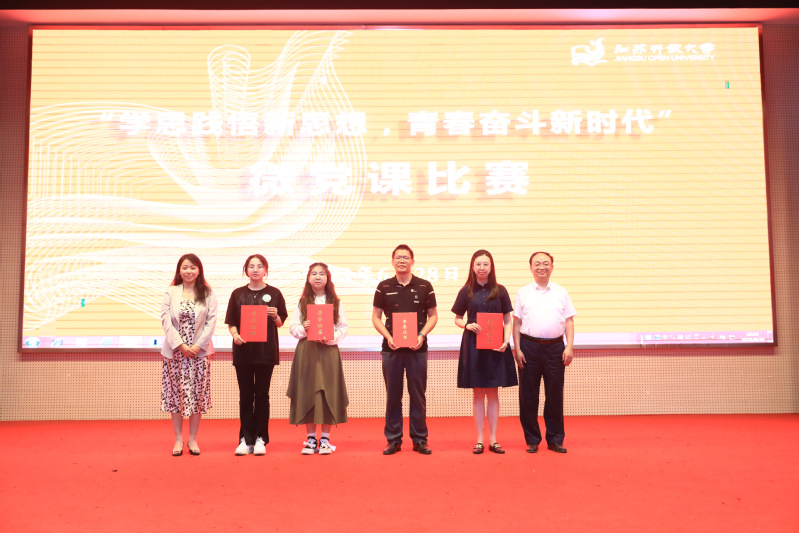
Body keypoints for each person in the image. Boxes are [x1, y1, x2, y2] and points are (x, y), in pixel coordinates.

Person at [372, 244, 438, 455]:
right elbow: (376, 317)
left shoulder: (425, 286)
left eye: (406, 257)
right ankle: (393, 440)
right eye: (398, 258)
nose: (402, 261)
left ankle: (419, 439)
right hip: (391, 349)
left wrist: (421, 335)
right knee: (393, 395)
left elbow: (433, 316)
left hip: (417, 349)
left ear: (413, 261)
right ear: (392, 262)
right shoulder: (383, 286)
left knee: (418, 395)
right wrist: (389, 337)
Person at [452, 250, 517, 455]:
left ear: (491, 267)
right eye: (478, 264)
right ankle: (479, 440)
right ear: (473, 267)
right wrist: (466, 325)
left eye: (485, 264)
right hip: (474, 346)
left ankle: (494, 439)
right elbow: (457, 318)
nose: (482, 267)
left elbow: (507, 320)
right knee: (478, 393)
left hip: (496, 347)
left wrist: (506, 341)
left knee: (494, 393)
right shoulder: (466, 291)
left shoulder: (500, 290)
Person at [513, 251, 576, 454]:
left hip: (555, 349)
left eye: (546, 263)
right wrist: (517, 349)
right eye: (537, 263)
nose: (542, 267)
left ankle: (555, 439)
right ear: (530, 267)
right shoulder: (523, 293)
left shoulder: (561, 292)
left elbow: (569, 321)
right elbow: (516, 323)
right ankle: (532, 439)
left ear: (552, 267)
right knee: (528, 396)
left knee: (555, 395)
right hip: (528, 347)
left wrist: (569, 346)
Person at [225, 254, 288, 456]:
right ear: (246, 270)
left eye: (259, 266)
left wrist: (275, 316)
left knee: (262, 395)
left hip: (265, 353)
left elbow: (280, 322)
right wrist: (235, 335)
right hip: (243, 352)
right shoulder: (237, 294)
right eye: (251, 266)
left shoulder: (274, 293)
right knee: (245, 396)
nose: (255, 269)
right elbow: (231, 322)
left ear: (265, 270)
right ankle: (245, 439)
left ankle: (260, 438)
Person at [287, 262, 349, 455]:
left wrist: (331, 338)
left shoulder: (336, 302)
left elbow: (343, 327)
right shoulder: (302, 302)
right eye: (314, 273)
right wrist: (303, 328)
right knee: (308, 392)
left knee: (327, 393)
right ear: (308, 278)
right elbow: (293, 327)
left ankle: (325, 440)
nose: (318, 277)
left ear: (327, 278)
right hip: (308, 352)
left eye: (322, 273)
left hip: (328, 352)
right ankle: (311, 439)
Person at [160, 253, 217, 456]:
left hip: (199, 355)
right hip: (175, 353)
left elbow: (211, 322)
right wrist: (181, 345)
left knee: (196, 397)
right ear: (179, 270)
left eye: (193, 267)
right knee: (176, 397)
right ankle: (178, 439)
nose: (189, 271)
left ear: (199, 270)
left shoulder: (207, 292)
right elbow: (166, 320)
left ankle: (192, 439)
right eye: (185, 267)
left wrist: (197, 346)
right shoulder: (171, 292)